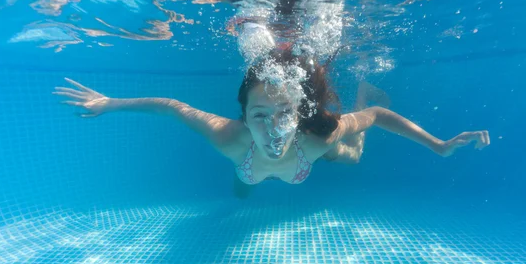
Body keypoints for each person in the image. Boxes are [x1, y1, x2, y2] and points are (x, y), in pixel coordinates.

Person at [53, 47, 489, 199]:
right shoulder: (229, 138)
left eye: (285, 113)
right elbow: (172, 105)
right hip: (250, 167)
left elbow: (375, 117)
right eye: (260, 115)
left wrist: (437, 145)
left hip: (310, 160)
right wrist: (108, 103)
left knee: (352, 155)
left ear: (299, 114)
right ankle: (244, 188)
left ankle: (361, 87)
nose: (274, 127)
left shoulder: (317, 137)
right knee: (243, 186)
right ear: (243, 117)